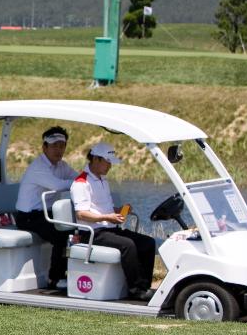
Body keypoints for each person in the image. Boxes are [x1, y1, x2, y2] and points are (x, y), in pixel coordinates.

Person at [69, 142, 157, 301]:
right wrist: (107, 217)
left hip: (108, 229)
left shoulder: (102, 180)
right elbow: (81, 214)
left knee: (148, 242)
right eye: (107, 162)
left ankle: (144, 286)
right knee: (128, 245)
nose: (110, 166)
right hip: (92, 233)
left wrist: (119, 210)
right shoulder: (81, 183)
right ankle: (136, 290)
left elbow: (103, 208)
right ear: (96, 159)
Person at [15, 126, 78, 289]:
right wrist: (81, 182)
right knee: (63, 234)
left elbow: (76, 177)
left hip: (47, 214)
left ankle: (73, 274)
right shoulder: (39, 167)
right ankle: (55, 279)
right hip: (28, 217)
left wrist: (87, 179)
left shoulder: (62, 166)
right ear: (44, 147)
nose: (59, 149)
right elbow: (57, 185)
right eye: (54, 145)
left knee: (77, 229)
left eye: (62, 145)